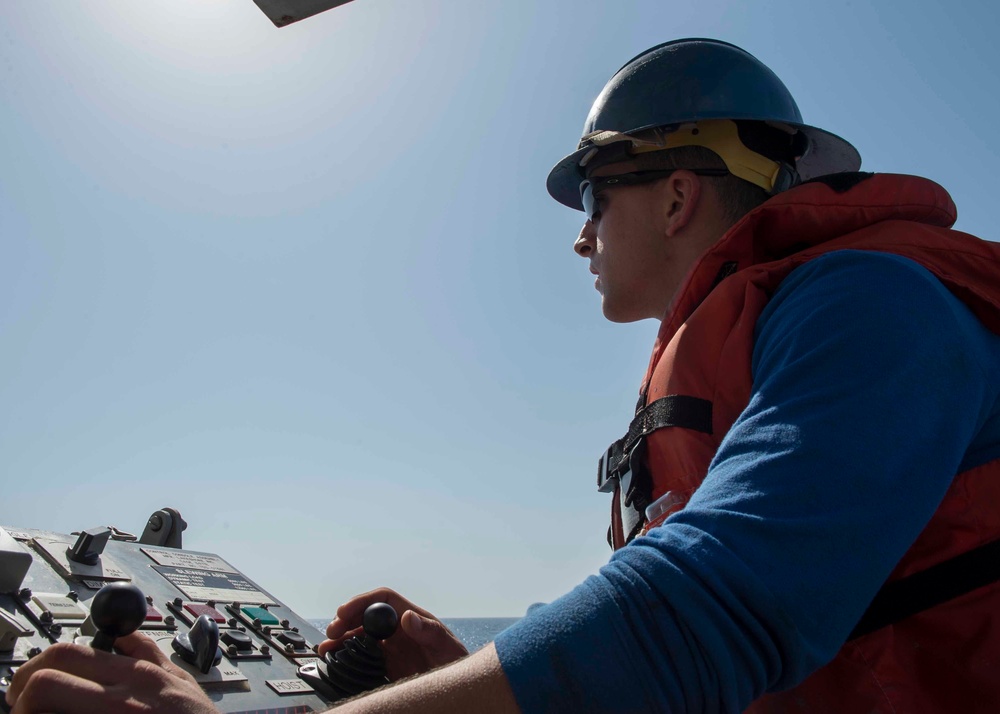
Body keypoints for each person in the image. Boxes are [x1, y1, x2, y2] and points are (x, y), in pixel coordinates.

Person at [8, 37, 1000, 714]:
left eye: (595, 201)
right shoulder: (769, 340)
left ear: (675, 196)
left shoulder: (872, 306)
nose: (580, 238)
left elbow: (706, 613)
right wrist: (466, 677)